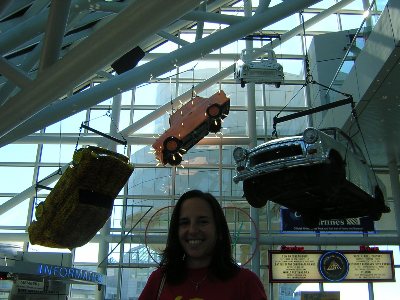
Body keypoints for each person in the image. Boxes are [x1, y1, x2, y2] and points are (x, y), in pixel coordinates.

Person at [139, 189, 267, 300]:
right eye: (184, 222)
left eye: (203, 221)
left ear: (218, 229)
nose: (193, 230)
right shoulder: (159, 280)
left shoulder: (245, 283)